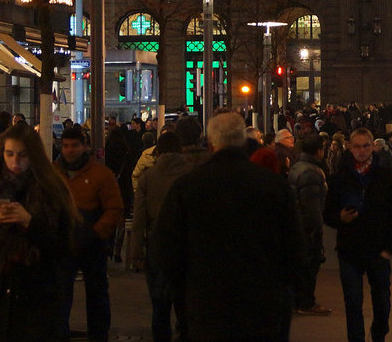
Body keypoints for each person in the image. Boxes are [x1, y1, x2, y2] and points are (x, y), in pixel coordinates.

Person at [155, 111, 305, 342]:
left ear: (211, 144)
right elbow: (294, 245)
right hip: (261, 303)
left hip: (207, 304)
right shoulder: (273, 186)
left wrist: (184, 291)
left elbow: (167, 247)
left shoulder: (187, 187)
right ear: (243, 142)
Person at [0, 121, 77, 341]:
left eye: (22, 155)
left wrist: (29, 223)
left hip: (36, 296)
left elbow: (64, 246)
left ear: (34, 156)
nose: (15, 162)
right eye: (9, 154)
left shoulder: (51, 190)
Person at [325, 127, 392, 342]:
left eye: (365, 146)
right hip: (349, 250)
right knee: (352, 303)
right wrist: (339, 217)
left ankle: (379, 334)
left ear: (373, 147)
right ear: (350, 148)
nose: (361, 151)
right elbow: (327, 213)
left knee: (382, 302)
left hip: (378, 250)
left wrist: (389, 248)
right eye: (357, 146)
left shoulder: (384, 176)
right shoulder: (340, 178)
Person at [56, 123, 124, 342]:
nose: (70, 150)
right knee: (60, 293)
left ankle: (98, 334)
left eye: (74, 145)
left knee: (96, 293)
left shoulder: (100, 175)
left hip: (92, 244)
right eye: (66, 146)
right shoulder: (54, 173)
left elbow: (114, 208)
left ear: (85, 146)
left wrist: (96, 233)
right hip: (64, 243)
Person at [130, 130, 193, 342]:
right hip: (187, 248)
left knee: (160, 307)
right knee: (185, 307)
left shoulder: (147, 178)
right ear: (181, 150)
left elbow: (139, 219)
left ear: (158, 151)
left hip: (157, 247)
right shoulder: (192, 174)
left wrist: (136, 252)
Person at [289, 131, 332, 317]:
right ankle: (306, 302)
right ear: (318, 150)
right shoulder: (311, 173)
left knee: (302, 264)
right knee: (310, 264)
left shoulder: (297, 167)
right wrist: (318, 227)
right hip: (307, 227)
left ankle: (299, 299)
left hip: (298, 224)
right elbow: (312, 206)